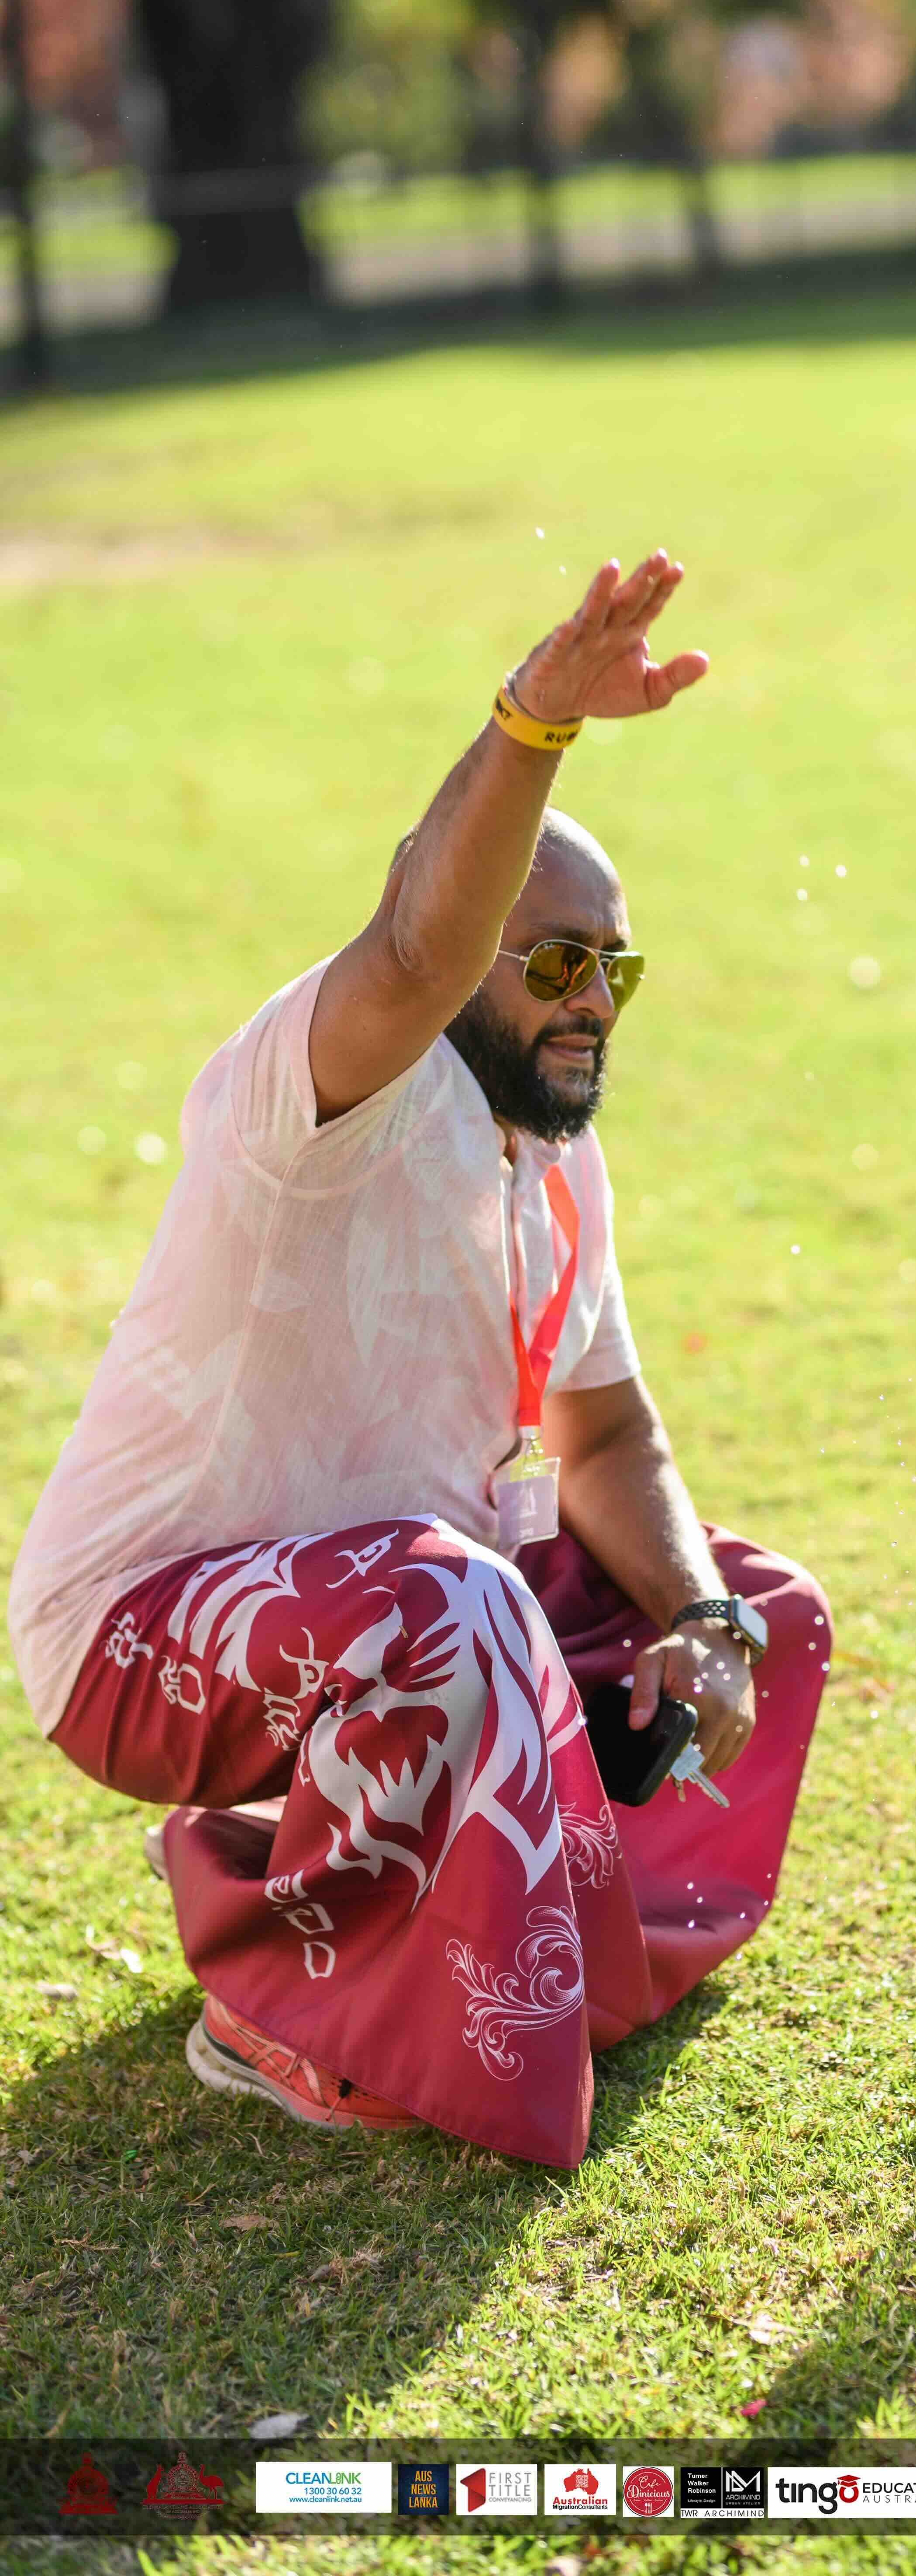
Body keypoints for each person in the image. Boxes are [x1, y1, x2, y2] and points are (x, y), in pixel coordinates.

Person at [7, 552, 832, 2167]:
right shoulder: (320, 1098)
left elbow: (606, 1441)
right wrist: (534, 728)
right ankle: (279, 2000)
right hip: (141, 1630)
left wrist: (704, 1626)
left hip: (407, 1604)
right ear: (467, 953)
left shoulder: (561, 1158)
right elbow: (408, 956)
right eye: (555, 961)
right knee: (453, 1604)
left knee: (767, 1613)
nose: (595, 1001)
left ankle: (548, 1950)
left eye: (616, 966)